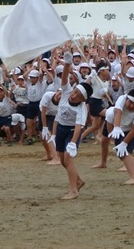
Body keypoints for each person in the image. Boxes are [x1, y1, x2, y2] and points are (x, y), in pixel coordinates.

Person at [50, 55, 91, 200]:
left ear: (83, 99)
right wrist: (67, 63)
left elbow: (79, 127)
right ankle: (78, 180)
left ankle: (73, 190)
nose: (74, 96)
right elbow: (65, 78)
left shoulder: (81, 109)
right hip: (61, 128)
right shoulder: (66, 91)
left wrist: (73, 142)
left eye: (78, 96)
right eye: (75, 92)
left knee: (68, 159)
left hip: (72, 132)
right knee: (62, 161)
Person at [106, 89, 134, 185]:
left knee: (124, 153)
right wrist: (115, 130)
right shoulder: (117, 105)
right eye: (130, 102)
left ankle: (133, 178)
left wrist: (124, 143)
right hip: (119, 130)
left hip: (131, 131)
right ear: (127, 99)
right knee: (122, 154)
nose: (132, 106)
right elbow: (117, 113)